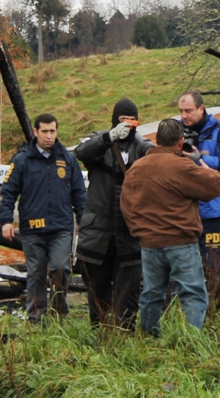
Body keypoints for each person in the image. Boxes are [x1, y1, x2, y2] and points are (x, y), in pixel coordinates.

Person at [120, 118, 220, 335]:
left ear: (156, 140)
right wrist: (199, 161)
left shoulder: (136, 169)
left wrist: (139, 232)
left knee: (151, 294)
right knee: (193, 293)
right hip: (181, 241)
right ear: (180, 142)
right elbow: (214, 186)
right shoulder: (182, 166)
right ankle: (191, 341)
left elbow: (126, 205)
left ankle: (149, 339)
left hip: (149, 243)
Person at [0, 113, 86, 323]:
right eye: (44, 131)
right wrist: (6, 220)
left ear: (57, 132)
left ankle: (58, 315)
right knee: (36, 273)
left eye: (52, 131)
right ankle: (35, 318)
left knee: (60, 268)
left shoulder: (68, 159)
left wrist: (83, 221)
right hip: (33, 229)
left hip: (61, 228)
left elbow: (79, 194)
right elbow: (8, 192)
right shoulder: (21, 161)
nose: (48, 136)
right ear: (35, 132)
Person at [74, 98, 154, 329]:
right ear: (114, 121)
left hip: (129, 236)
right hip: (97, 235)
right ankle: (99, 338)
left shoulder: (142, 145)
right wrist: (110, 138)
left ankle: (124, 338)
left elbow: (156, 159)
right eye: (123, 120)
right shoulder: (98, 140)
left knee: (127, 296)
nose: (128, 125)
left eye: (132, 120)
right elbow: (82, 152)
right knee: (97, 293)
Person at [177, 90, 220, 309]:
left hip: (216, 210)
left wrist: (199, 159)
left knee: (218, 269)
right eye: (181, 111)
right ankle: (194, 317)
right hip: (185, 211)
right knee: (185, 270)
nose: (184, 115)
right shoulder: (178, 132)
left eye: (189, 111)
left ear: (201, 109)